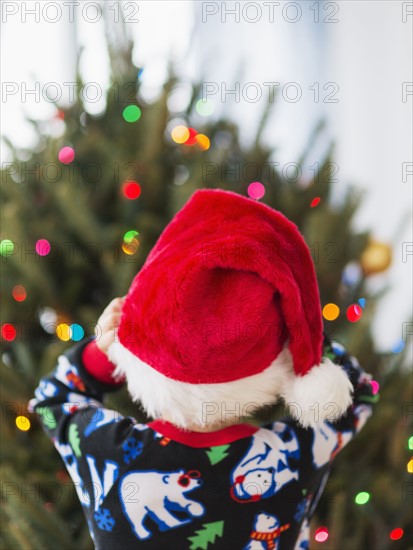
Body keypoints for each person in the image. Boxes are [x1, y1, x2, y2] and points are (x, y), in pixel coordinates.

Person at [30, 188, 377, 549]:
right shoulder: (292, 456)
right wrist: (300, 334)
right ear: (273, 366)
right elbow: (359, 392)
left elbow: (52, 400)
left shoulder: (107, 451)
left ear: (140, 361)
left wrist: (106, 349)